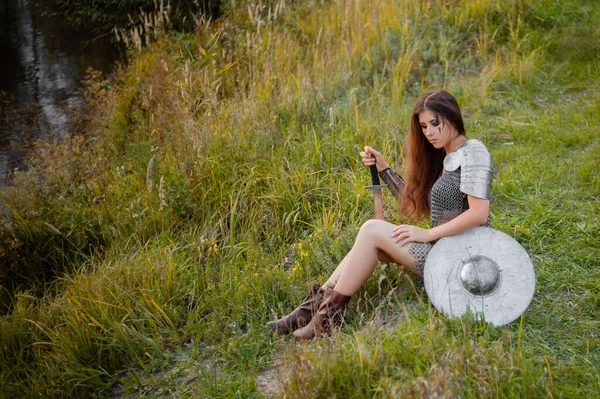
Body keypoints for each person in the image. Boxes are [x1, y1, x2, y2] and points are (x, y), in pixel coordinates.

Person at [266, 90, 493, 340]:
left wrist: (427, 233)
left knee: (371, 229)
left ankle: (324, 318)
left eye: (435, 123)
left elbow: (479, 214)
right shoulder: (443, 157)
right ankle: (311, 312)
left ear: (453, 116)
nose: (429, 132)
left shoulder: (474, 153)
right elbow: (413, 205)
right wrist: (384, 169)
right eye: (424, 126)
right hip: (440, 250)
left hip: (461, 261)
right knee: (368, 241)